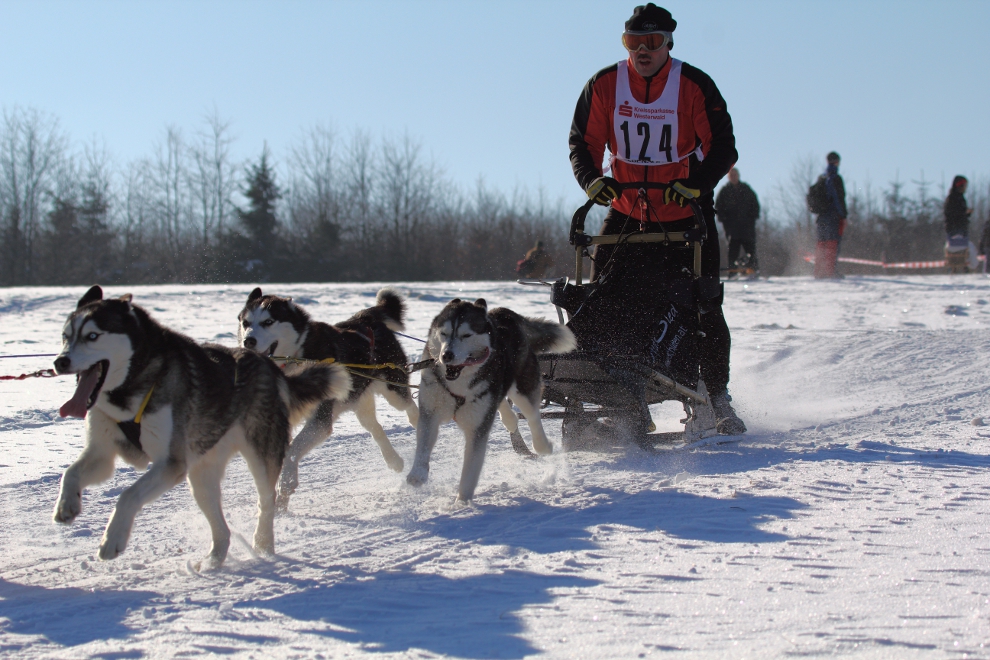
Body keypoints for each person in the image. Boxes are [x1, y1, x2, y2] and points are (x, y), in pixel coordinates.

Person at [568, 3, 745, 435]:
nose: (642, 51)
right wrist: (592, 181)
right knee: (600, 301)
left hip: (685, 213)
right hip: (627, 210)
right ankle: (618, 399)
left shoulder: (693, 85)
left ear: (668, 43)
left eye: (652, 42)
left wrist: (698, 183)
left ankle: (717, 395)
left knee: (703, 303)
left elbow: (723, 146)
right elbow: (582, 142)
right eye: (633, 42)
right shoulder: (605, 85)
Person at [715, 167, 760, 275]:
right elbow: (718, 208)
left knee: (750, 249)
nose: (734, 177)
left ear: (738, 176)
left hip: (747, 227)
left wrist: (752, 218)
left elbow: (755, 205)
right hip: (731, 228)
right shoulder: (725, 191)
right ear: (728, 177)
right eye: (731, 175)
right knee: (732, 250)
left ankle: (753, 270)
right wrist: (724, 219)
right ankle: (733, 272)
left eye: (735, 175)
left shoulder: (746, 189)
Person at [811, 152, 847, 279]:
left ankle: (819, 272)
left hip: (820, 217)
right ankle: (831, 272)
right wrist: (843, 215)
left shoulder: (821, 178)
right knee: (832, 244)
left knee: (821, 244)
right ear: (837, 162)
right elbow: (838, 198)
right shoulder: (835, 178)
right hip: (832, 217)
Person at [944, 175, 976, 273]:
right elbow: (953, 214)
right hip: (956, 230)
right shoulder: (954, 198)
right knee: (966, 248)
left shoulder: (958, 198)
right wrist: (965, 213)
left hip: (957, 230)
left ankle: (959, 267)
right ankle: (965, 267)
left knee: (961, 249)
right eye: (964, 185)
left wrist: (967, 214)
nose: (965, 188)